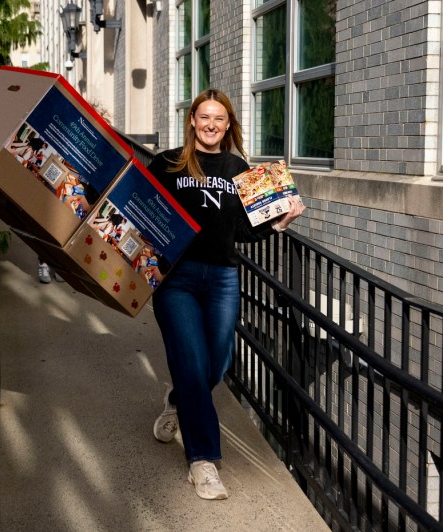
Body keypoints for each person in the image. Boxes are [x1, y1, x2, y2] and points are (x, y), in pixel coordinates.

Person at [146, 88, 305, 500]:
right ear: (192, 120)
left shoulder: (239, 169)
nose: (211, 124)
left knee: (217, 363)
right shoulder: (167, 163)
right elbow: (141, 207)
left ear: (228, 124)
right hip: (175, 278)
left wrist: (281, 221)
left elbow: (243, 231)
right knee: (192, 360)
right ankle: (203, 462)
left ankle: (177, 398)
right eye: (205, 117)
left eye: (220, 118)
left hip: (221, 278)